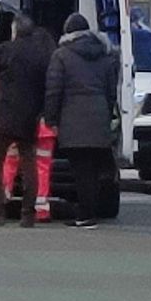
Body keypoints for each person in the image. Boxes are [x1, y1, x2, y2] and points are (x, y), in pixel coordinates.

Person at [0, 14, 56, 228]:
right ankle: (28, 214)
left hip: (3, 115)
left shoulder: (5, 50)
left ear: (15, 31)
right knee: (29, 164)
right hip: (28, 117)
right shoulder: (43, 56)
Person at [45, 13, 120, 229]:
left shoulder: (61, 55)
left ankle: (85, 215)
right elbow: (111, 91)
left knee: (81, 170)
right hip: (99, 116)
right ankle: (90, 212)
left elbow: (54, 90)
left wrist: (51, 118)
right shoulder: (105, 55)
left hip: (73, 119)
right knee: (93, 169)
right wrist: (106, 113)